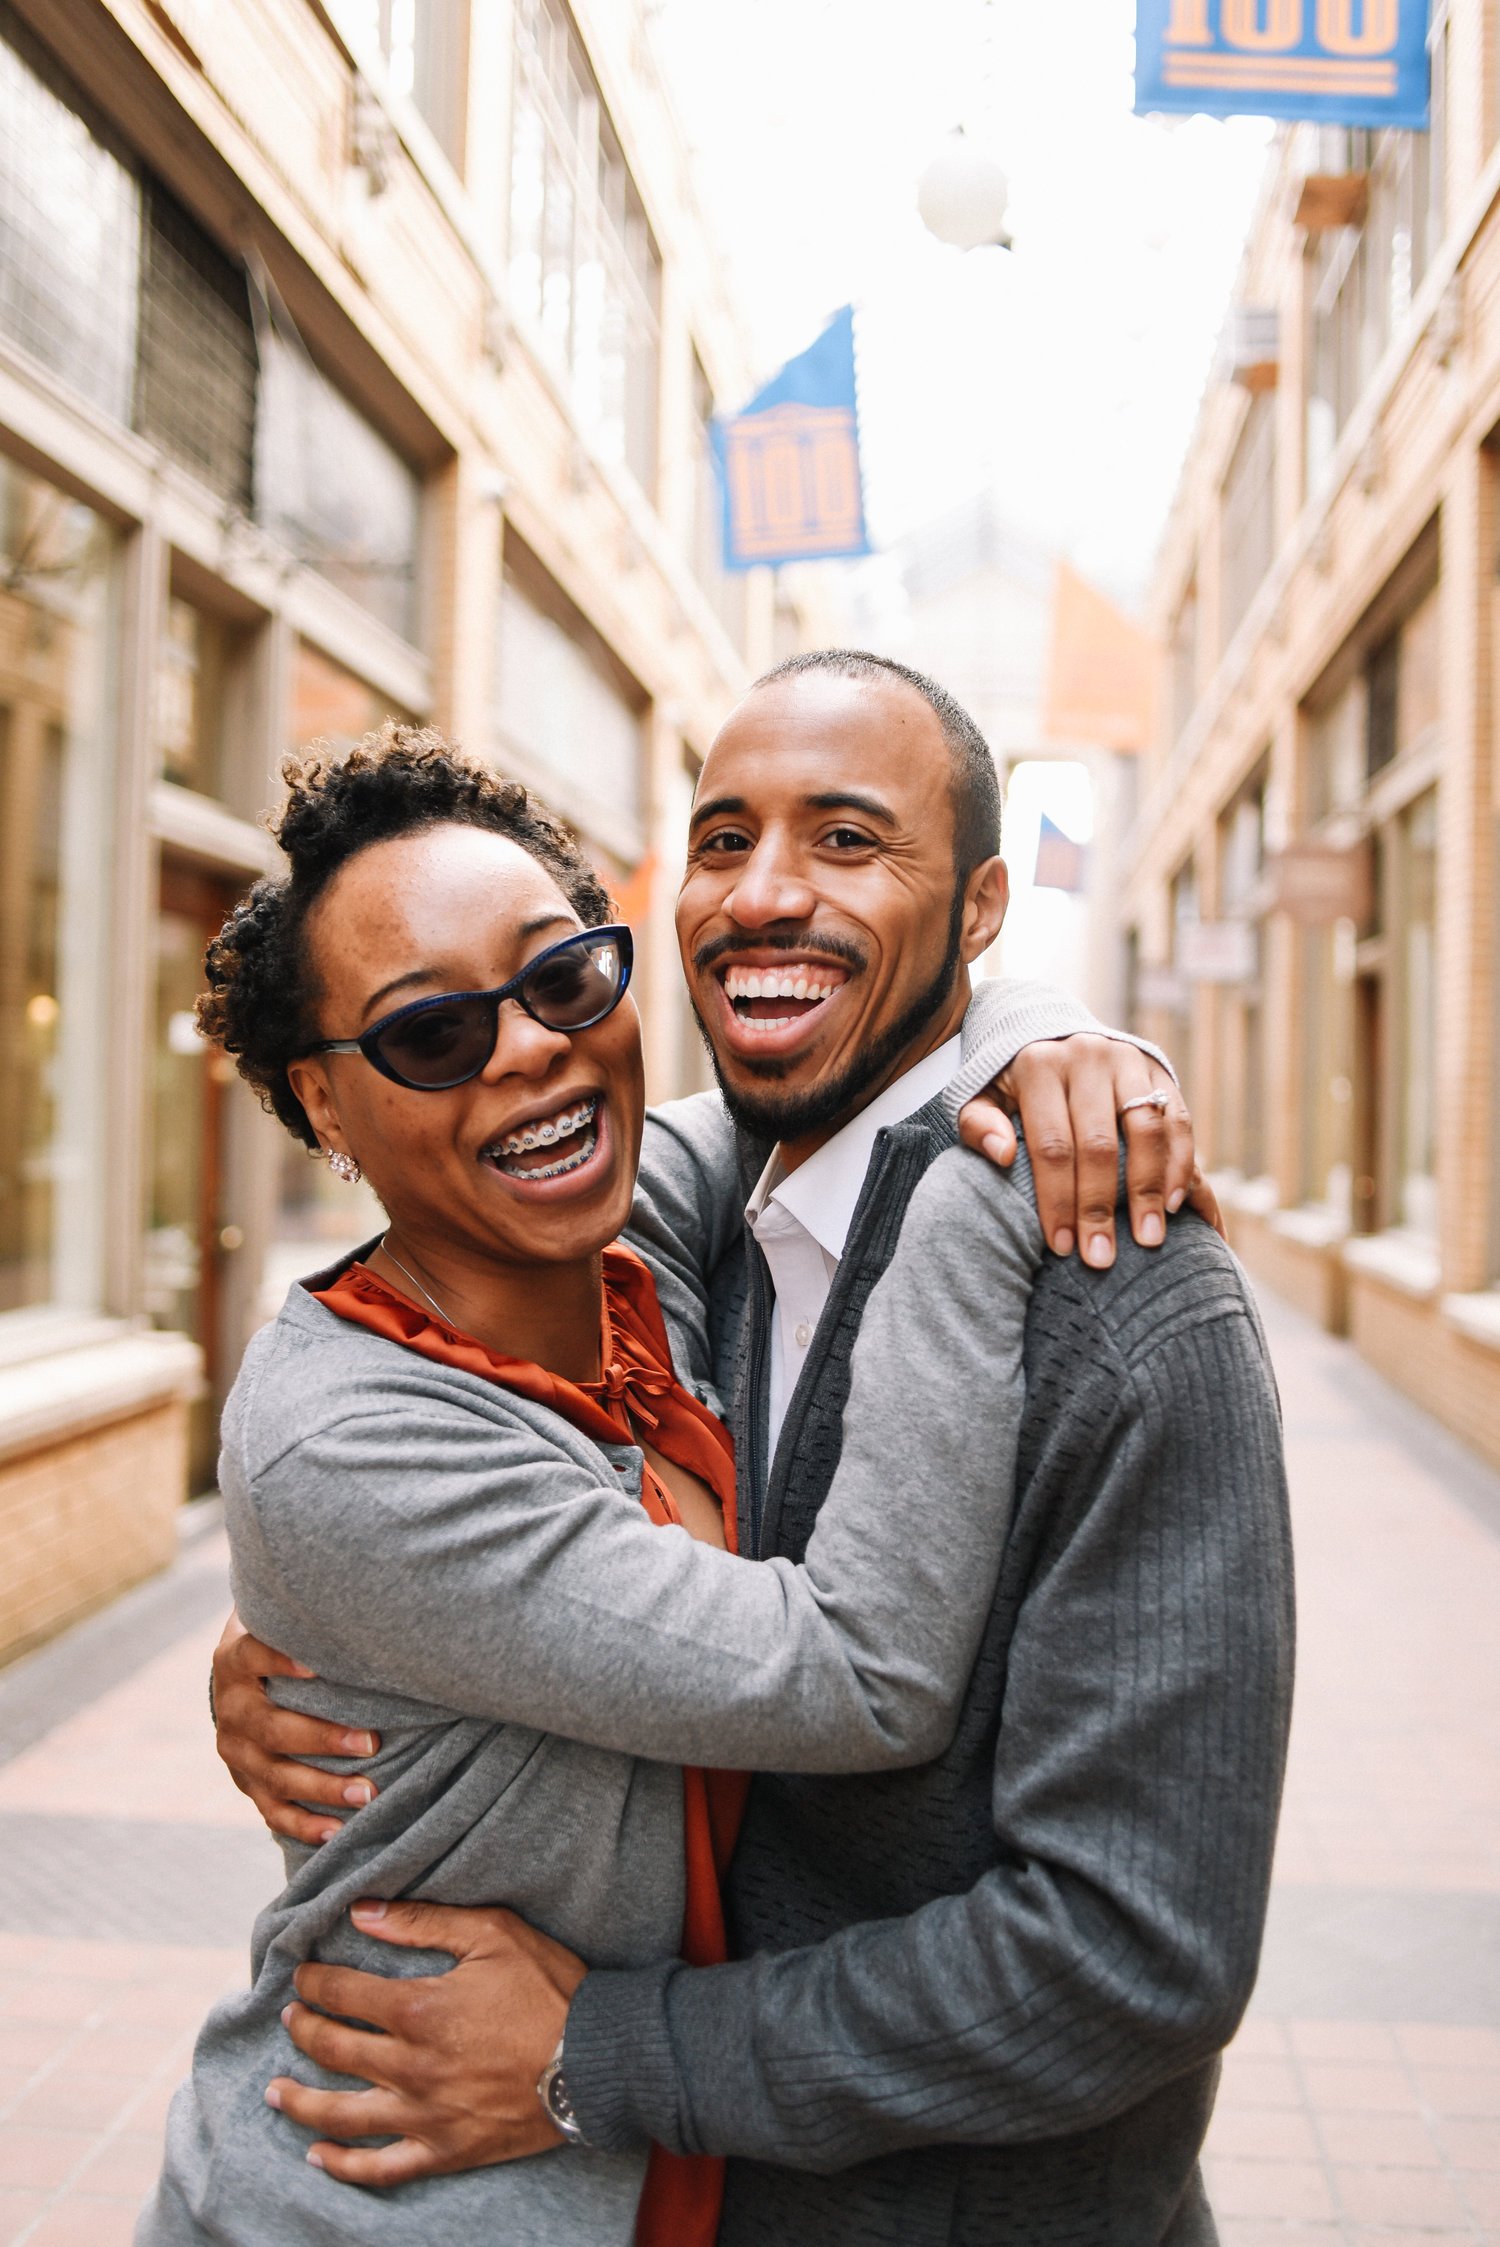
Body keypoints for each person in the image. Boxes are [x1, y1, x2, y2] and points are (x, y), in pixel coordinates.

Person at [213, 656, 1291, 2246]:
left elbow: (1133, 1961)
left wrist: (607, 2055)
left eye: (849, 840)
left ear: (982, 907)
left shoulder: (1118, 1306)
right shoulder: (680, 1240)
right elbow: (837, 1658)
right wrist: (313, 1624)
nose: (766, 893)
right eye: (723, 841)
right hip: (509, 2193)